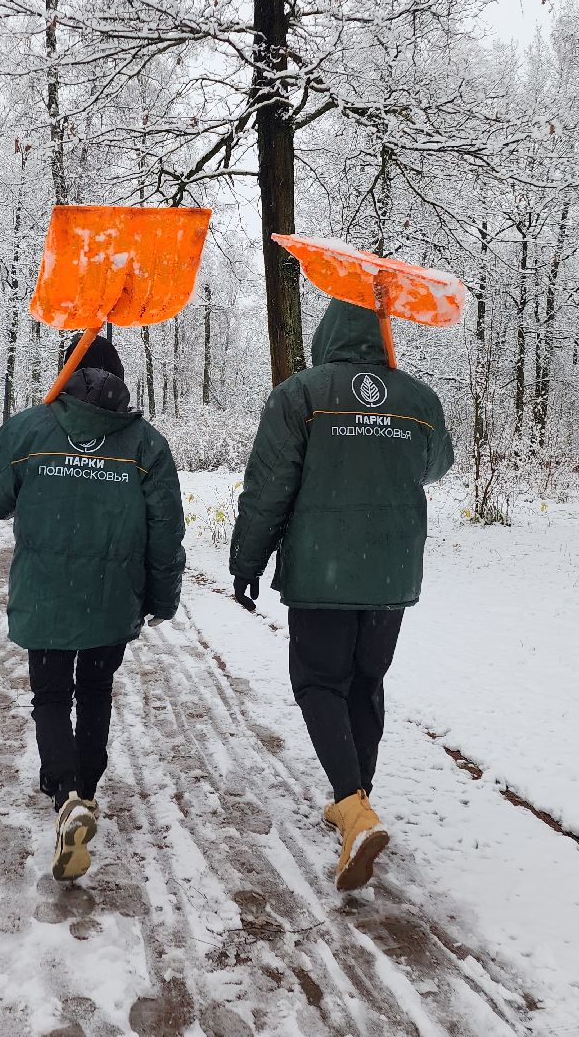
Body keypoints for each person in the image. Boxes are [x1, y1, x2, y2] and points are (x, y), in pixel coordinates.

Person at [229, 297, 454, 890]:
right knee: (365, 682)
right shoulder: (418, 399)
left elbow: (270, 485)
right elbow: (436, 465)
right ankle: (358, 798)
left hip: (323, 572)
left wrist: (247, 559)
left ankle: (353, 809)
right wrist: (389, 420)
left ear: (328, 336)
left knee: (319, 682)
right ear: (381, 338)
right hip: (389, 575)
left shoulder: (300, 395)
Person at [0, 333, 185, 882]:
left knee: (50, 692)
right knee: (93, 690)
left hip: (45, 592)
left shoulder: (30, 428)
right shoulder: (145, 444)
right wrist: (162, 598)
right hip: (112, 596)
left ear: (66, 375)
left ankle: (65, 791)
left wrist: (25, 446)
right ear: (119, 380)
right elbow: (166, 531)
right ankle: (85, 789)